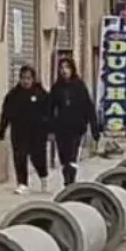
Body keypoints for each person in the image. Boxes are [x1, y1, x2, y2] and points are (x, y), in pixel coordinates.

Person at [0, 65, 50, 195]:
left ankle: (43, 177)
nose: (25, 81)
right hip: (19, 132)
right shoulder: (13, 95)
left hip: (37, 133)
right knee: (20, 157)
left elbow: (49, 112)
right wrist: (2, 129)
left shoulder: (41, 94)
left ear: (33, 79)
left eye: (28, 78)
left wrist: (49, 129)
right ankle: (22, 183)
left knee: (38, 158)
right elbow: (6, 113)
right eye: (23, 78)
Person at [50, 56, 99, 186]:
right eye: (61, 68)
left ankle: (70, 181)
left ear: (72, 69)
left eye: (67, 67)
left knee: (72, 155)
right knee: (63, 157)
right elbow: (49, 108)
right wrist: (49, 129)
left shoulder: (79, 86)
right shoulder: (57, 88)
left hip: (76, 127)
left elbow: (88, 106)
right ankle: (67, 176)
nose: (64, 71)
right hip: (61, 128)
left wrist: (94, 128)